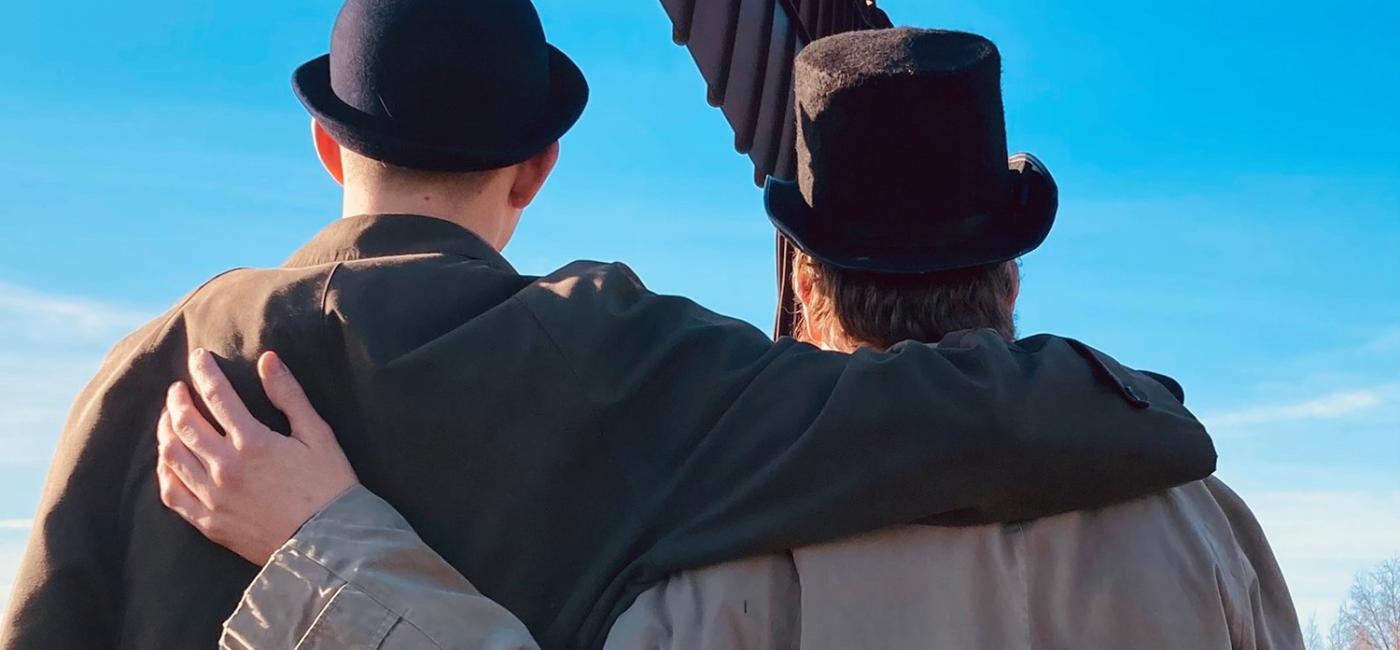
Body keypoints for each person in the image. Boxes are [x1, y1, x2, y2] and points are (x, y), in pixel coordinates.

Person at [0, 4, 1214, 649]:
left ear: (327, 141)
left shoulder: (138, 378)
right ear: (536, 165)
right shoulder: (619, 355)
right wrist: (1140, 403)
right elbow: (908, 408)